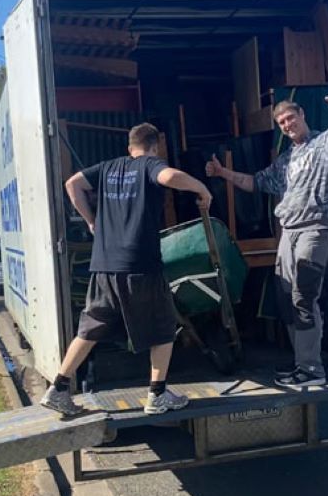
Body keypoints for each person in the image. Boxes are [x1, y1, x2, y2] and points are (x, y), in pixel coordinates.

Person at [41, 123, 213, 416]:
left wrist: (92, 221)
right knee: (163, 327)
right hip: (139, 264)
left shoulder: (109, 168)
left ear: (129, 147)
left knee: (91, 326)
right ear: (155, 146)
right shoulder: (150, 165)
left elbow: (72, 184)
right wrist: (202, 188)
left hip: (104, 265)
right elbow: (169, 176)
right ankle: (156, 395)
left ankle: (58, 387)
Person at [205, 96, 328, 388]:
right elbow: (255, 183)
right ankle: (302, 363)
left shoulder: (326, 142)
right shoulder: (286, 160)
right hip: (288, 233)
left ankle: (313, 369)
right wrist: (223, 173)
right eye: (282, 123)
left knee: (304, 295)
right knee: (286, 299)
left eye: (290, 118)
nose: (287, 125)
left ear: (301, 114)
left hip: (316, 229)